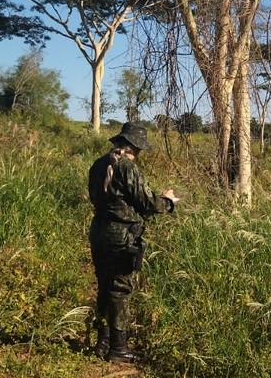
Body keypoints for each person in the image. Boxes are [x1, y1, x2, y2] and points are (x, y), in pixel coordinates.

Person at [87, 122, 179, 363]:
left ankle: (102, 342)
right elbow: (148, 204)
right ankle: (118, 349)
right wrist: (168, 201)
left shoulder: (98, 165)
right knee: (120, 289)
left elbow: (93, 196)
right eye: (138, 149)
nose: (138, 154)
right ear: (132, 147)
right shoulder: (128, 168)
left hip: (98, 230)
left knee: (105, 285)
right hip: (121, 234)